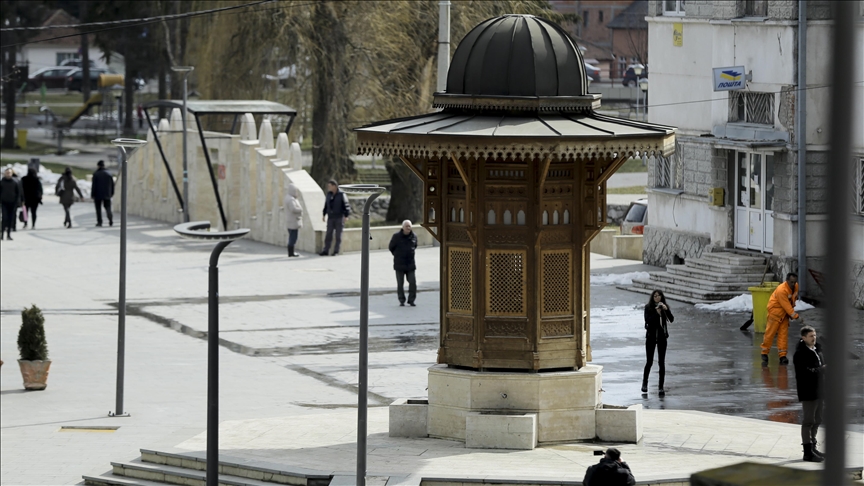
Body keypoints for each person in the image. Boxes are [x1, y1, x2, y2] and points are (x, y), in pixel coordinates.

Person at [793, 325, 825, 463]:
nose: (814, 338)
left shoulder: (817, 350)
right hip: (808, 391)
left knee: (817, 419)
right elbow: (804, 373)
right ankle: (807, 452)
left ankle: (813, 447)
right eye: (811, 336)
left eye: (815, 335)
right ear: (803, 337)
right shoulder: (800, 354)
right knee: (808, 421)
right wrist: (822, 370)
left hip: (819, 390)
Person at [761, 273, 800, 366]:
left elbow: (792, 300)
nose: (793, 284)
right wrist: (795, 316)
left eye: (794, 282)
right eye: (791, 282)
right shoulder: (781, 290)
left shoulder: (795, 286)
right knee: (770, 334)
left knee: (783, 335)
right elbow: (786, 305)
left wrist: (791, 313)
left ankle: (782, 356)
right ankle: (764, 352)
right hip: (775, 313)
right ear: (786, 280)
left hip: (785, 314)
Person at [642, 289, 673, 395]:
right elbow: (648, 320)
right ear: (652, 297)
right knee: (649, 362)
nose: (657, 297)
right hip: (651, 337)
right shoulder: (648, 307)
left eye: (659, 296)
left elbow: (671, 319)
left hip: (662, 338)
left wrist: (666, 310)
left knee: (661, 363)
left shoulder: (664, 307)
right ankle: (645, 383)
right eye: (655, 296)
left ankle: (661, 386)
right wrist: (656, 313)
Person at [389, 220, 418, 306]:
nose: (408, 228)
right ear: (403, 227)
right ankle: (401, 300)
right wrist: (397, 255)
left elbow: (415, 246)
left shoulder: (414, 236)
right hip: (399, 264)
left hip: (410, 263)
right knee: (400, 284)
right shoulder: (396, 236)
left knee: (412, 282)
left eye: (409, 226)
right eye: (406, 226)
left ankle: (411, 300)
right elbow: (391, 247)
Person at [319, 179, 350, 256]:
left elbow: (346, 205)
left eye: (330, 186)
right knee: (328, 234)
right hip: (330, 217)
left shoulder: (341, 194)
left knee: (338, 235)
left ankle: (336, 251)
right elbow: (326, 205)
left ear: (334, 186)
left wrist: (346, 215)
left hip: (339, 217)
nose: (328, 187)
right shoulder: (329, 194)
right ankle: (326, 250)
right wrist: (324, 214)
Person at [91, 160, 115, 227]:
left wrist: (92, 194)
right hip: (107, 194)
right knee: (108, 207)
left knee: (98, 209)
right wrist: (112, 193)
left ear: (98, 166)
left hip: (98, 194)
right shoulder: (109, 174)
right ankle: (110, 219)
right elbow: (112, 185)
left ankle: (99, 222)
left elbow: (94, 185)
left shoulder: (96, 174)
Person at [0, 168, 22, 240]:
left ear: (12, 173)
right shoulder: (2, 182)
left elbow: (18, 193)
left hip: (12, 203)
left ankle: (8, 234)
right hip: (4, 203)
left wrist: (18, 202)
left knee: (10, 219)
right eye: (7, 173)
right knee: (4, 218)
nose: (8, 174)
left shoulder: (15, 182)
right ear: (4, 173)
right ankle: (2, 234)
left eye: (9, 173)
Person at [283, 183, 303, 257]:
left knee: (292, 237)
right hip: (293, 221)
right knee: (293, 238)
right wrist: (300, 209)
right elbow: (293, 209)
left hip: (291, 221)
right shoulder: (291, 199)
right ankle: (291, 253)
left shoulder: (288, 198)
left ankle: (291, 252)